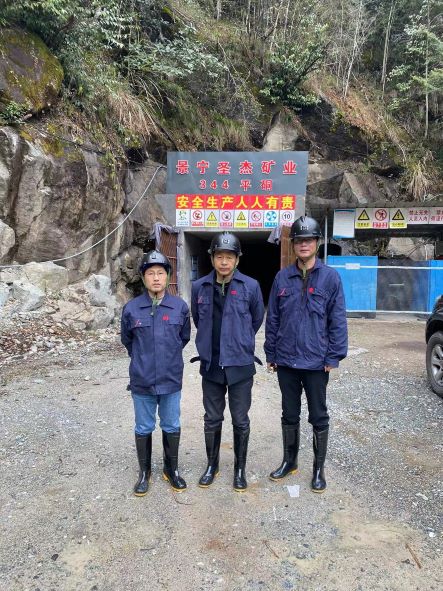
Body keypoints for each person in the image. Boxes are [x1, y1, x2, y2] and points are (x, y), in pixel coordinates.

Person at [264, 216, 348, 493]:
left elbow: (337, 320)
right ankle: (290, 462)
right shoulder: (282, 277)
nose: (304, 245)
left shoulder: (330, 278)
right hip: (286, 360)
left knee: (318, 416)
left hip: (316, 362)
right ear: (293, 244)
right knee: (289, 414)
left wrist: (333, 356)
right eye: (299, 240)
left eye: (309, 240)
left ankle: (318, 470)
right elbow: (273, 318)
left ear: (317, 243)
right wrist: (271, 353)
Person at [191, 232, 265, 492]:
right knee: (212, 418)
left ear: (237, 259)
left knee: (240, 419)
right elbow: (198, 319)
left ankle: (239, 469)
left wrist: (239, 340)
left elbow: (256, 319)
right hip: (211, 364)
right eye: (219, 256)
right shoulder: (200, 287)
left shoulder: (250, 286)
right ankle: (212, 465)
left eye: (229, 257)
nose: (224, 262)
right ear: (212, 258)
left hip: (240, 364)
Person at [121, 250, 191, 496]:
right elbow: (128, 340)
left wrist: (166, 360)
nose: (156, 278)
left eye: (160, 273)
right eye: (150, 273)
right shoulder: (131, 309)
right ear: (143, 278)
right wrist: (144, 361)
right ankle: (145, 472)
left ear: (168, 276)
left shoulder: (179, 307)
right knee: (143, 426)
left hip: (170, 379)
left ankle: (171, 470)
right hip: (142, 380)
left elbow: (183, 338)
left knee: (171, 424)